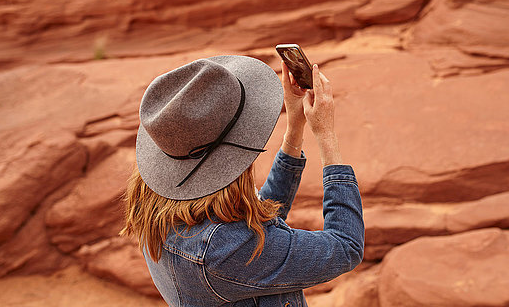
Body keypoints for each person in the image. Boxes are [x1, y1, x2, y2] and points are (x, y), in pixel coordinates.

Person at [121, 55, 364, 306]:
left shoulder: (159, 209)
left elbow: (260, 220)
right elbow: (346, 246)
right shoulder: (225, 249)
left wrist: (295, 125)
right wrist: (326, 136)